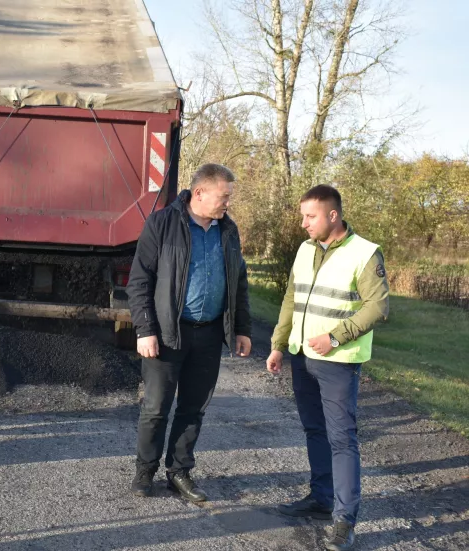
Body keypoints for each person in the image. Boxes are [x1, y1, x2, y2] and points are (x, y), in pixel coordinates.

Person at [266, 185, 389, 551]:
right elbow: (292, 298)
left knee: (341, 438)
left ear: (333, 215)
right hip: (302, 358)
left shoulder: (365, 253)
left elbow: (378, 306)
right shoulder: (305, 250)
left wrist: (335, 338)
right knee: (314, 430)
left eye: (311, 216)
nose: (304, 223)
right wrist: (277, 344)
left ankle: (344, 520)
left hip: (338, 362)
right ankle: (321, 498)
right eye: (303, 215)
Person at [127, 163, 252, 502]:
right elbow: (140, 281)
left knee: (194, 408)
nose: (228, 203)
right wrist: (145, 329)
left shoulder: (228, 231)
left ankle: (179, 472)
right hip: (167, 334)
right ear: (200, 193)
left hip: (209, 334)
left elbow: (238, 282)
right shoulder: (162, 224)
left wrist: (241, 328)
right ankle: (144, 471)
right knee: (156, 407)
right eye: (223, 197)